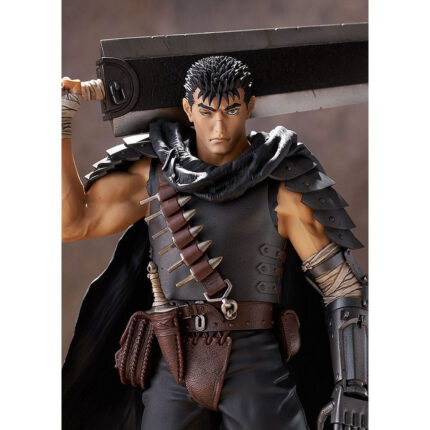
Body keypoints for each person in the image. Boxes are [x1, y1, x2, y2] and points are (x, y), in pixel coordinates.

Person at [62, 56, 368, 430]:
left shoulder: (282, 182)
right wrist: (60, 125)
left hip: (253, 358)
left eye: (231, 110)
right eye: (207, 112)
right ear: (188, 109)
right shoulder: (153, 175)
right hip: (172, 358)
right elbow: (71, 224)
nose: (219, 126)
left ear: (249, 107)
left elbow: (342, 286)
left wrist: (353, 388)